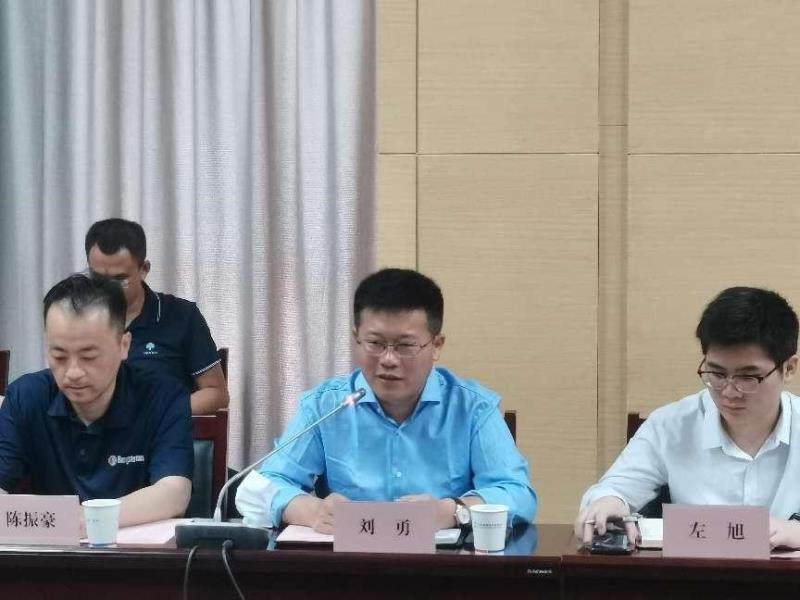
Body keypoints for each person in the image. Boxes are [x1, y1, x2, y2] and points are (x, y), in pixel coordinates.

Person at [236, 268, 536, 532]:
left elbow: (517, 493)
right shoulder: (325, 406)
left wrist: (452, 511)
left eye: (405, 346)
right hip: (349, 567)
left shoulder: (472, 408)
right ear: (356, 338)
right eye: (375, 343)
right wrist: (313, 511)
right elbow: (269, 484)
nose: (389, 359)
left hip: (444, 566)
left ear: (436, 345)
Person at [576, 287, 800, 550]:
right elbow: (613, 490)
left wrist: (793, 532)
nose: (729, 392)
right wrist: (609, 503)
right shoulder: (671, 425)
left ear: (789, 368)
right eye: (717, 374)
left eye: (747, 377)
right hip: (693, 573)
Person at [0, 273, 193, 527]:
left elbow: (174, 493)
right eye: (59, 356)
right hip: (51, 549)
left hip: (135, 549)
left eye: (88, 357)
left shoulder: (162, 396)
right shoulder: (25, 397)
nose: (73, 372)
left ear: (124, 345)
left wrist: (83, 522)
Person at [85, 218, 228, 414]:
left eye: (120, 278)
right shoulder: (77, 320)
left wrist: (160, 414)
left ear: (143, 269)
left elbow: (216, 394)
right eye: (99, 278)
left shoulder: (182, 317)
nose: (108, 288)